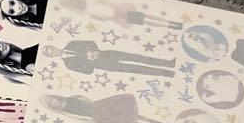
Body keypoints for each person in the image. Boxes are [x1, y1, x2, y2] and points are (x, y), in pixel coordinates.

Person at [40, 93, 167, 123]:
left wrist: (93, 103)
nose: (54, 101)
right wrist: (94, 121)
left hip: (99, 107)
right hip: (97, 116)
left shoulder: (70, 98)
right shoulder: (66, 112)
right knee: (128, 122)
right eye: (51, 102)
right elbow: (81, 118)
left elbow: (83, 98)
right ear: (52, 107)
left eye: (52, 98)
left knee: (129, 113)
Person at [41, 42, 175, 78]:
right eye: (51, 53)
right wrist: (89, 60)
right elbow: (88, 71)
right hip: (106, 65)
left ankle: (168, 63)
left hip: (108, 54)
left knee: (137, 58)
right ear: (52, 57)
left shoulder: (71, 44)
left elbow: (90, 42)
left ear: (54, 46)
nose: (53, 51)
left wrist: (93, 51)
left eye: (51, 49)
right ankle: (167, 73)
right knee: (136, 69)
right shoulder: (69, 65)